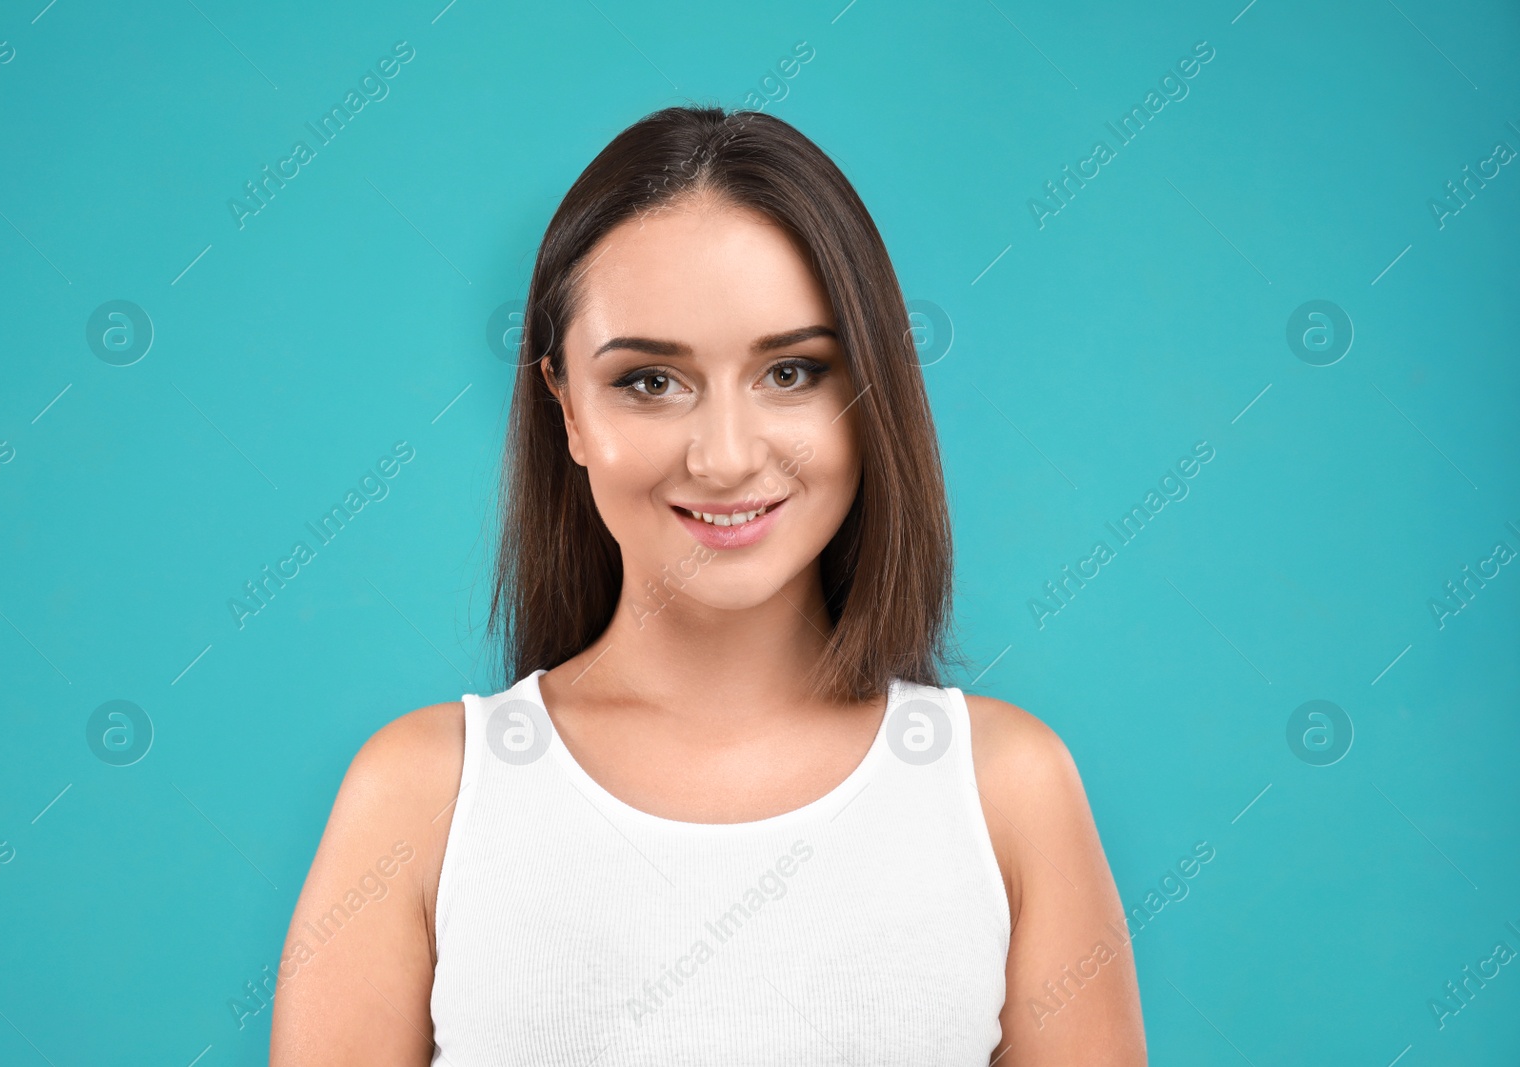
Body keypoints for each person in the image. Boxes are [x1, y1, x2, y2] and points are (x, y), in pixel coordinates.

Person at [270, 104, 1147, 1065]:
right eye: (650, 381)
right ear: (564, 407)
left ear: (871, 393)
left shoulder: (1006, 792)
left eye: (792, 370)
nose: (727, 458)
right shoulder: (422, 797)